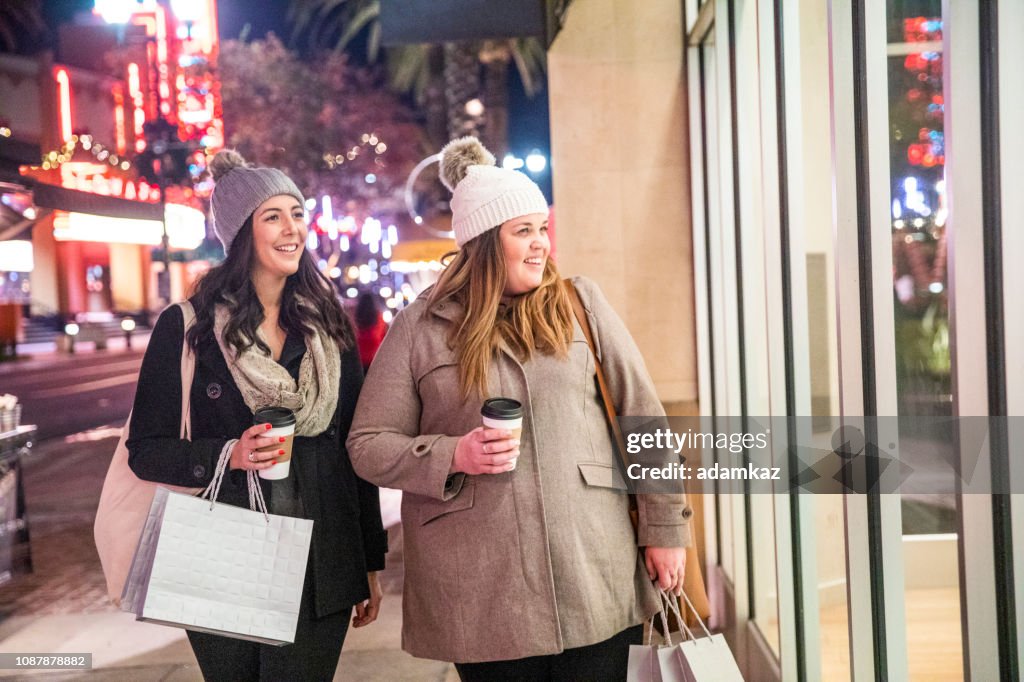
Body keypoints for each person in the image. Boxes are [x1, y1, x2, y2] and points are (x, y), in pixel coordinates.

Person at [347, 137, 692, 681]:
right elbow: (368, 444)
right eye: (523, 231)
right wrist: (451, 453)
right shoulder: (420, 326)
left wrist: (666, 530)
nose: (541, 245)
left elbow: (641, 420)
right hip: (482, 592)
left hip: (592, 570)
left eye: (543, 229)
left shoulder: (581, 305)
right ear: (484, 242)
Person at [126, 150, 387, 681]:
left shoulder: (328, 327)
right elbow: (146, 449)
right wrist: (229, 453)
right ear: (242, 232)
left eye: (297, 213)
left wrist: (369, 562)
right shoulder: (188, 327)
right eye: (274, 216)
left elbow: (354, 448)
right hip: (227, 557)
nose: (292, 228)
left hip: (324, 557)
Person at [354, 292, 387, 373]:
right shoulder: (379, 319)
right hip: (375, 362)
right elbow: (384, 339)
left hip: (358, 362)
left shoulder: (354, 319)